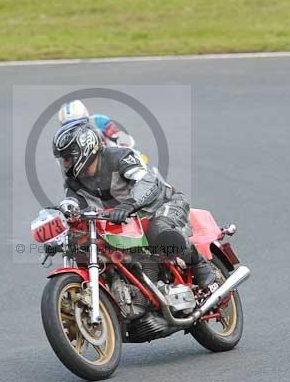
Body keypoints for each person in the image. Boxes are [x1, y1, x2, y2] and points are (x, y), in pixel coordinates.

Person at [52, 120, 216, 287]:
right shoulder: (74, 182)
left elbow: (147, 182)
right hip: (126, 219)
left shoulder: (118, 156)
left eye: (67, 158)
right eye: (62, 160)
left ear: (83, 149)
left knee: (159, 229)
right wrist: (60, 220)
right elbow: (71, 204)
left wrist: (128, 205)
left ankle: (199, 264)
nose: (65, 164)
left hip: (161, 204)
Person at [58, 100, 136, 148]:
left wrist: (114, 135)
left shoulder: (99, 121)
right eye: (69, 126)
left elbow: (129, 142)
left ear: (86, 119)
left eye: (79, 123)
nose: (75, 128)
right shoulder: (63, 140)